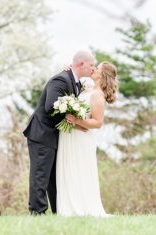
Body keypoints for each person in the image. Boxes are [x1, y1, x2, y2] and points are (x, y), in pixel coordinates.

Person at [22, 50, 96, 215]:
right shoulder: (60, 80)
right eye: (91, 65)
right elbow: (51, 107)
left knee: (55, 177)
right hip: (42, 133)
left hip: (54, 135)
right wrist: (75, 124)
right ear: (81, 64)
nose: (93, 68)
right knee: (41, 174)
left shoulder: (76, 81)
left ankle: (59, 211)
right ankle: (37, 211)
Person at [56, 61, 118, 216]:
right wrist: (67, 70)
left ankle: (81, 207)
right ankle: (67, 207)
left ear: (102, 75)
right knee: (68, 170)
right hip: (70, 135)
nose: (94, 69)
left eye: (97, 68)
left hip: (82, 138)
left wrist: (76, 120)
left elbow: (97, 122)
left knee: (79, 170)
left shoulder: (98, 96)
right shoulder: (87, 87)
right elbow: (72, 80)